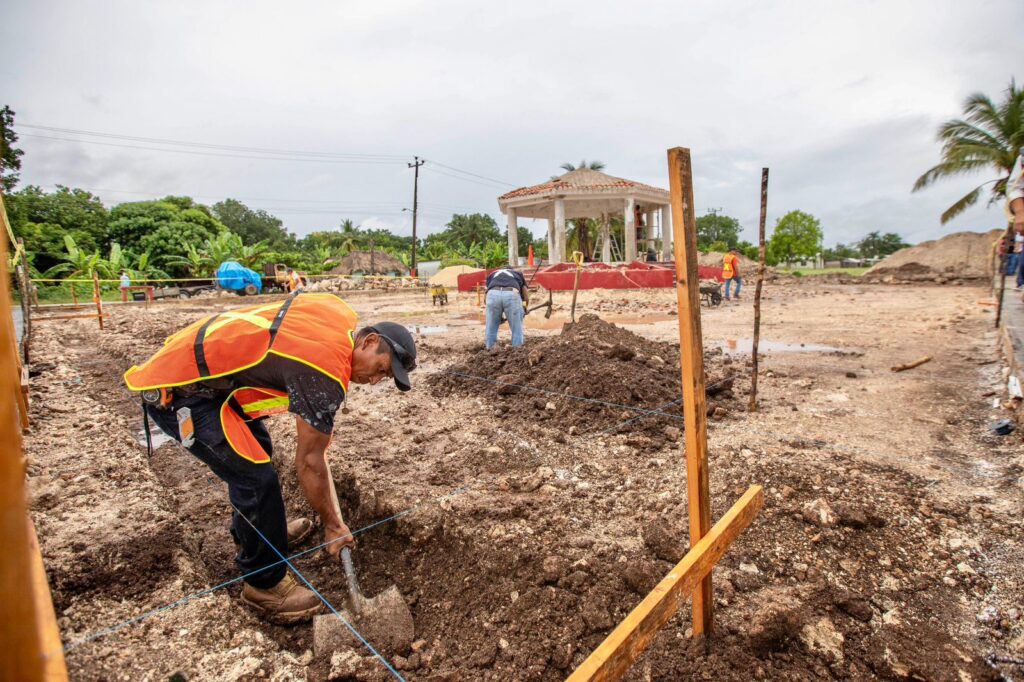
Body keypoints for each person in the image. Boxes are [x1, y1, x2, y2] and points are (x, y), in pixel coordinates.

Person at [124, 293, 417, 624]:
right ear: (369, 341)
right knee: (254, 479)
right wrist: (333, 525)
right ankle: (264, 585)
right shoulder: (324, 369)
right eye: (380, 369)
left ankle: (266, 533)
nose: (374, 381)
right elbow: (308, 461)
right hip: (180, 389)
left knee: (258, 451)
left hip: (215, 383)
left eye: (384, 379)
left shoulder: (336, 320)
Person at [484, 266, 528, 349]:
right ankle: (517, 350)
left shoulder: (492, 274)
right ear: (512, 270)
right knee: (516, 328)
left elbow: (485, 296)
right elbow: (526, 297)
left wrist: (496, 315)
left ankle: (489, 349)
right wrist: (524, 308)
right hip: (511, 294)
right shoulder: (517, 273)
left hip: (492, 294)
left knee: (491, 326)